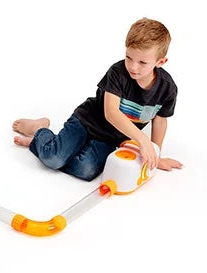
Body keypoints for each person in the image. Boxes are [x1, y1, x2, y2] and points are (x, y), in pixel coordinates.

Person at [12, 17, 182, 181]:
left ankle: (50, 146)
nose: (133, 66)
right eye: (128, 57)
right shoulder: (118, 73)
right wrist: (142, 139)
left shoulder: (167, 88)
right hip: (86, 122)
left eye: (142, 62)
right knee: (54, 159)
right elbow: (111, 113)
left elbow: (160, 121)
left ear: (161, 62)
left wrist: (156, 154)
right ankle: (40, 130)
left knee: (86, 171)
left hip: (110, 138)